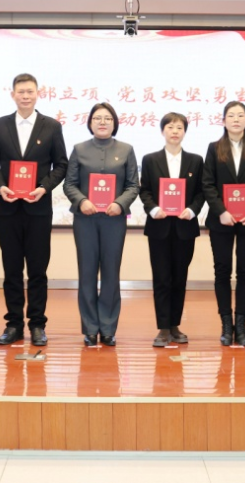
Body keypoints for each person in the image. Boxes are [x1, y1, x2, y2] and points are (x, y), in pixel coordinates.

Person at [0, 73, 68, 347]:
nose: (25, 96)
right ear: (13, 95)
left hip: (38, 209)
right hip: (7, 209)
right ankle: (13, 324)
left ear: (37, 94)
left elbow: (61, 165)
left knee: (37, 270)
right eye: (21, 92)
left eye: (30, 91)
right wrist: (0, 187)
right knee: (11, 270)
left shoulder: (51, 126)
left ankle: (38, 324)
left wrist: (44, 187)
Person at [64, 102, 140, 346]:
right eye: (97, 118)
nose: (103, 122)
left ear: (114, 122)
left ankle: (107, 328)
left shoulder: (126, 150)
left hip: (113, 220)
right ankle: (89, 328)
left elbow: (133, 185)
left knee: (110, 273)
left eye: (108, 118)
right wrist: (81, 201)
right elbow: (69, 184)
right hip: (85, 220)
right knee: (86, 273)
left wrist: (120, 203)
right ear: (90, 122)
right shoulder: (79, 149)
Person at [203, 101, 245, 347]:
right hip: (221, 221)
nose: (235, 119)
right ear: (223, 121)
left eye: (240, 115)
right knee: (222, 271)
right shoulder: (214, 148)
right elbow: (207, 183)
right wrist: (220, 211)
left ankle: (241, 325)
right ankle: (226, 324)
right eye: (231, 115)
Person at [139, 113, 205, 347]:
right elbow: (144, 191)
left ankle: (175, 325)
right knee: (161, 278)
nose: (175, 131)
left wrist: (193, 210)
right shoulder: (150, 159)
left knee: (179, 278)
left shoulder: (195, 161)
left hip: (185, 228)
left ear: (185, 132)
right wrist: (154, 209)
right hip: (159, 227)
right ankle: (163, 328)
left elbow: (201, 192)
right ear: (162, 131)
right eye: (170, 127)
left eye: (179, 127)